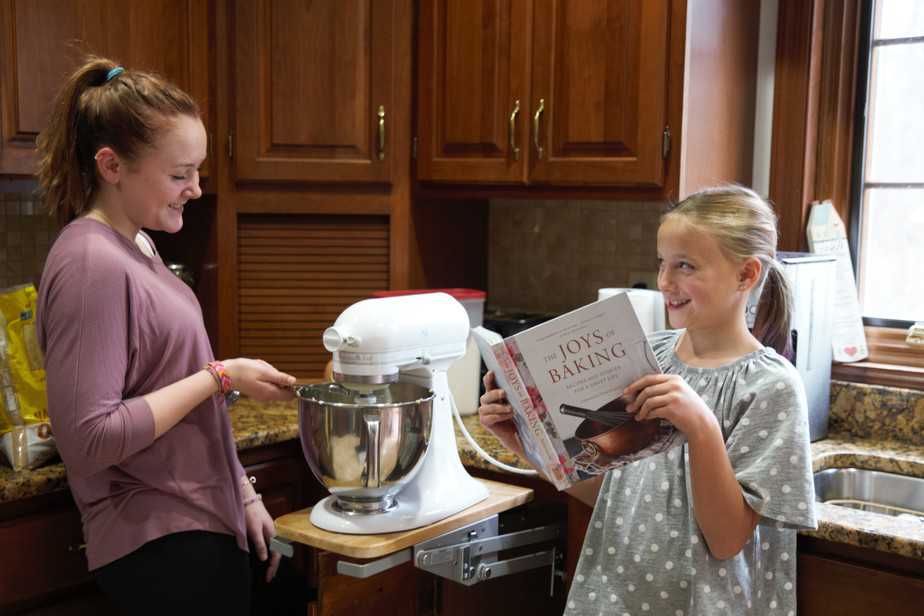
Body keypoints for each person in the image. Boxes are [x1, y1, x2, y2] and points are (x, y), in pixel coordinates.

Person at [35, 57, 300, 615]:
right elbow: (88, 438)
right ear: (112, 165)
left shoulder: (140, 246)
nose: (196, 189)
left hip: (198, 521)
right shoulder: (91, 262)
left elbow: (171, 388)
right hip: (154, 539)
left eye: (197, 172)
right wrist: (220, 376)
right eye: (180, 174)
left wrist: (242, 494)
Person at [479, 185, 816, 615]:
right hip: (612, 598)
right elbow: (610, 494)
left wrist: (701, 426)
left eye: (686, 266)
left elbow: (728, 540)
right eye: (662, 263)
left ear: (746, 275)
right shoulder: (647, 355)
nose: (665, 282)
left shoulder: (771, 387)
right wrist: (521, 439)